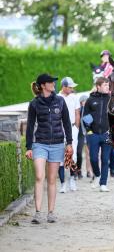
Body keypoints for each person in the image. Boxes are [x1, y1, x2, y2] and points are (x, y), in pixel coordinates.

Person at [25, 73, 73, 224]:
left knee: (52, 179)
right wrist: (28, 146)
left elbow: (66, 122)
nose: (53, 84)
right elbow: (30, 126)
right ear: (43, 85)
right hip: (40, 143)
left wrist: (69, 143)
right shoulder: (34, 104)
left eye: (53, 82)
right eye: (50, 82)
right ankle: (38, 213)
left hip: (57, 144)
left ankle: (50, 212)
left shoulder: (60, 101)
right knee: (40, 176)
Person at [83, 77, 113, 192]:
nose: (107, 87)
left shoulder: (111, 99)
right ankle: (97, 174)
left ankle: (103, 184)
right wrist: (89, 130)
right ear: (98, 86)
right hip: (93, 134)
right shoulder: (91, 99)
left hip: (107, 134)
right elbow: (85, 116)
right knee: (93, 158)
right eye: (105, 85)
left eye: (108, 85)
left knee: (105, 159)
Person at [58, 77, 80, 192]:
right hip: (59, 130)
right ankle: (63, 183)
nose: (72, 89)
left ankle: (72, 179)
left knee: (73, 155)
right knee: (60, 157)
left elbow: (77, 112)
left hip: (72, 128)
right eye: (70, 87)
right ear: (64, 87)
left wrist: (76, 127)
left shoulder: (74, 97)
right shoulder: (57, 98)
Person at [76, 94, 93, 179]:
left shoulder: (90, 110)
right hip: (80, 134)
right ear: (81, 102)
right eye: (84, 101)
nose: (85, 102)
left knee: (89, 153)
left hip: (88, 133)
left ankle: (88, 171)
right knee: (79, 152)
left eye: (87, 100)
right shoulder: (78, 110)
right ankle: (78, 170)